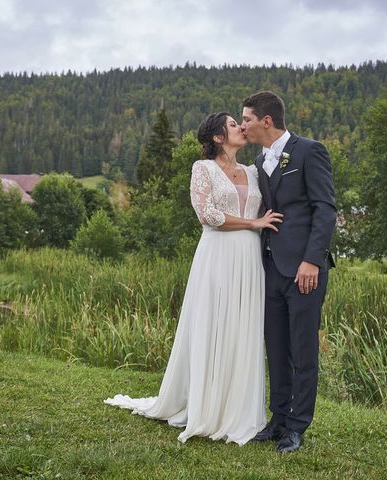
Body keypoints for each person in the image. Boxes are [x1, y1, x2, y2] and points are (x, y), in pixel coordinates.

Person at [104, 112, 282, 445]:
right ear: (217, 137)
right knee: (213, 324)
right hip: (216, 255)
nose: (241, 128)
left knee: (241, 328)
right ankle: (206, 407)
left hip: (248, 260)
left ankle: (237, 410)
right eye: (233, 124)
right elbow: (208, 214)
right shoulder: (203, 169)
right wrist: (252, 224)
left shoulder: (253, 171)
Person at [240, 91, 336, 453]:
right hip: (270, 268)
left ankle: (297, 426)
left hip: (304, 270)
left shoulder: (310, 151)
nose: (243, 124)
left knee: (302, 349)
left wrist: (313, 259)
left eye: (246, 118)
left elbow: (325, 209)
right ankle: (277, 419)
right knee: (276, 348)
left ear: (266, 121)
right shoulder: (261, 158)